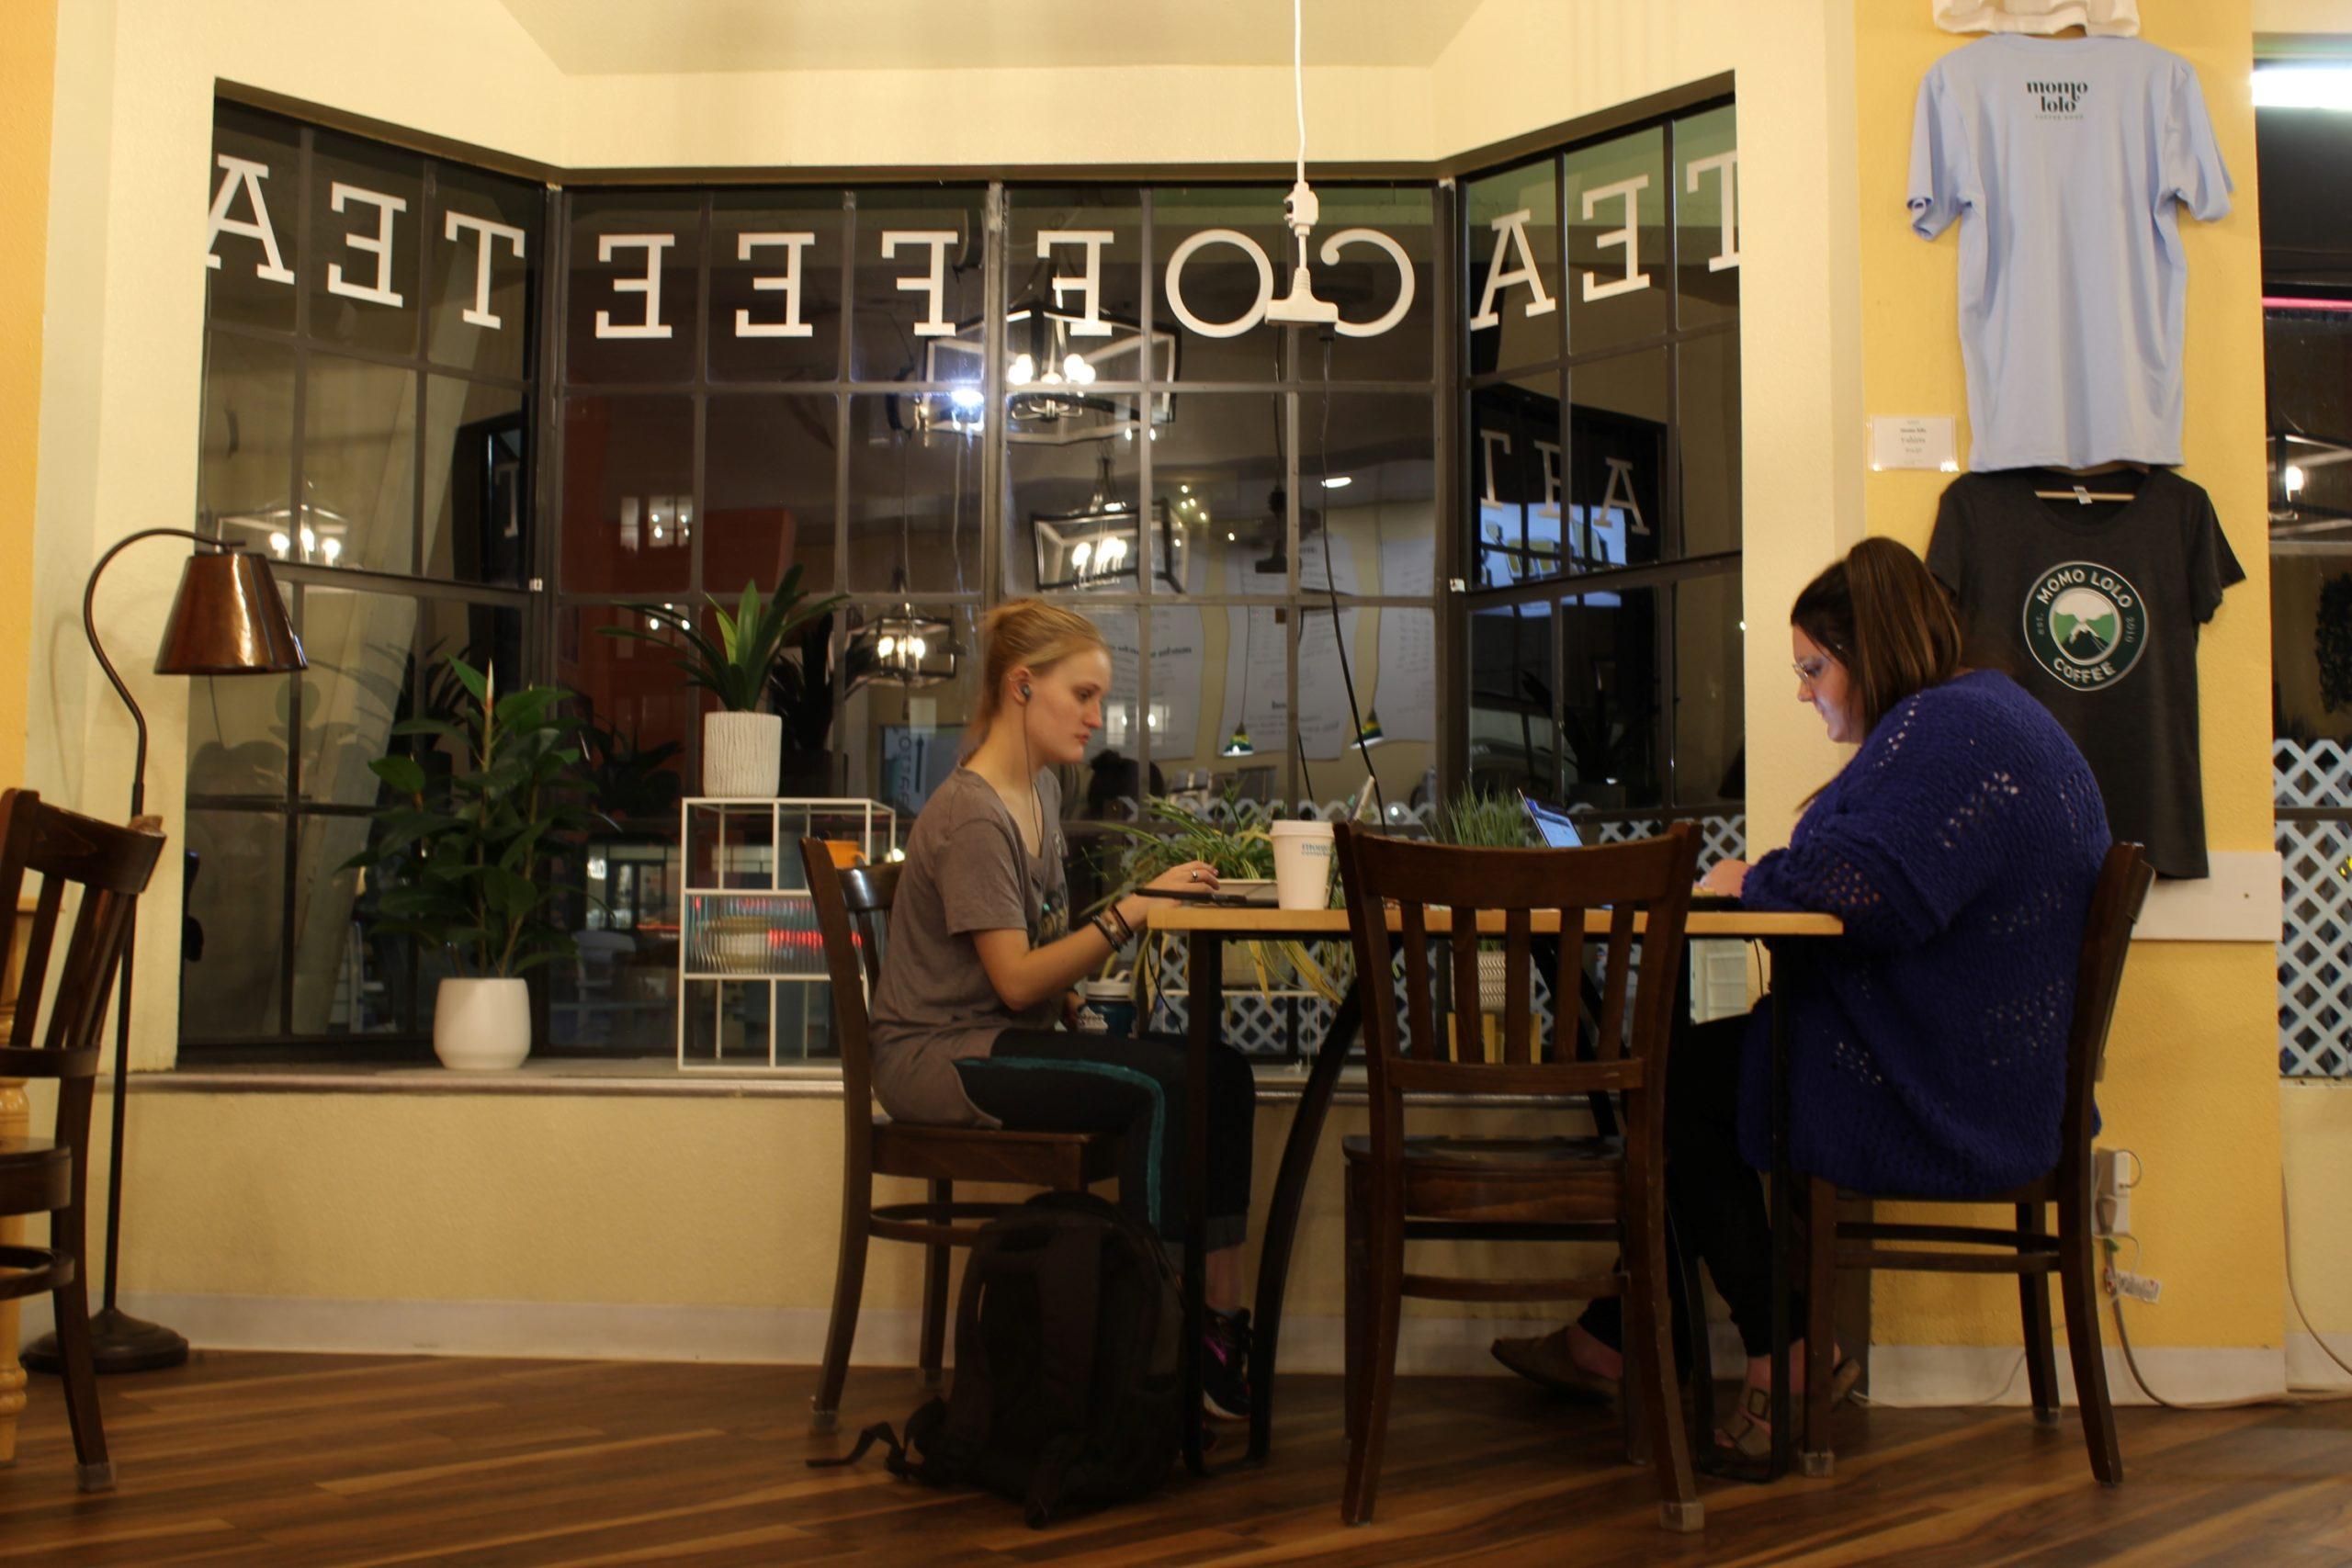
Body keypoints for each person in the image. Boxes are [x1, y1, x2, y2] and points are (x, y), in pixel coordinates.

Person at [1492, 537, 2110, 1462]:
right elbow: (1878, 876)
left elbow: (1873, 893)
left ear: (1877, 650)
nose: (1803, 690)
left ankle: (1777, 1354)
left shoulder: (1950, 729)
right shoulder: (1972, 718)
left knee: (1669, 1079)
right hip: (1973, 1063)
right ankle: (1616, 1339)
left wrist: (1751, 880)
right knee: (1681, 1065)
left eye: (1814, 667)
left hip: (1942, 1081)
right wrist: (1765, 878)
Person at [866, 599, 1261, 1422]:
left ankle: (1218, 1327)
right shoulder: (973, 812)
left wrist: (1082, 1000)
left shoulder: (1039, 792)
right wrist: (1136, 907)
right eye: (1082, 695)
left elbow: (1036, 956)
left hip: (1001, 1036)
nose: (1096, 717)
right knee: (1159, 1088)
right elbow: (1013, 979)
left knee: (1219, 1069)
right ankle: (1155, 1346)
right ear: (1021, 686)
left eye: (1099, 699)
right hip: (939, 1057)